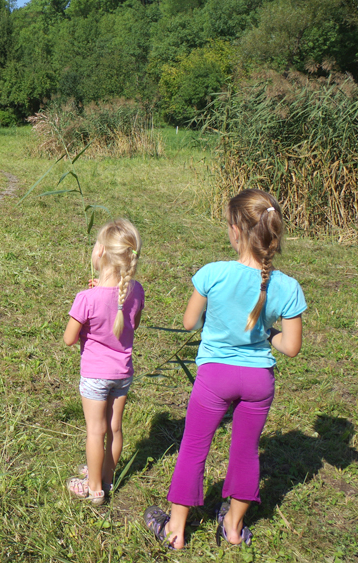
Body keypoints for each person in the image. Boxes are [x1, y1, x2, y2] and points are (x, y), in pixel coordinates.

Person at [144, 189, 306, 549]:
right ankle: (233, 527)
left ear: (235, 231)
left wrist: (213, 319)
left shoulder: (213, 274)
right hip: (258, 381)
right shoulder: (288, 287)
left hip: (215, 377)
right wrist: (267, 332)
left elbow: (189, 322)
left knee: (193, 448)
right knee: (246, 452)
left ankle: (176, 530)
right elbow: (290, 347)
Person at [63, 219, 144, 504]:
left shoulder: (86, 298)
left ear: (99, 253)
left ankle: (94, 487)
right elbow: (130, 322)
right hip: (122, 374)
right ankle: (108, 478)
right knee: (114, 429)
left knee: (95, 432)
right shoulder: (136, 292)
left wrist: (87, 319)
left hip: (96, 375)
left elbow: (69, 338)